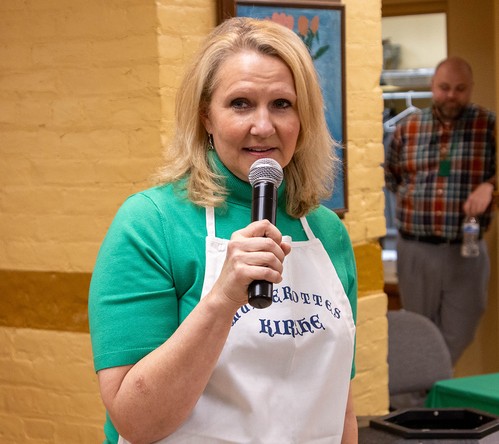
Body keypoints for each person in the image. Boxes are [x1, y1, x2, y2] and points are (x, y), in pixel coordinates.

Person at [88, 17, 358, 444]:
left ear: (303, 118)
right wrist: (223, 299)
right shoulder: (150, 223)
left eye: (282, 104)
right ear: (206, 117)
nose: (263, 126)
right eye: (240, 104)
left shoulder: (327, 232)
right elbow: (135, 422)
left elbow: (340, 406)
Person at [385, 56, 496, 365]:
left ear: (470, 88)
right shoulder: (408, 128)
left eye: (460, 89)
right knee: (420, 332)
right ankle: (428, 392)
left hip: (466, 249)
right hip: (416, 250)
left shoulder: (488, 126)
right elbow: (391, 177)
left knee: (460, 330)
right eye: (444, 88)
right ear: (432, 86)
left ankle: (428, 385)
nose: (451, 96)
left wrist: (491, 186)